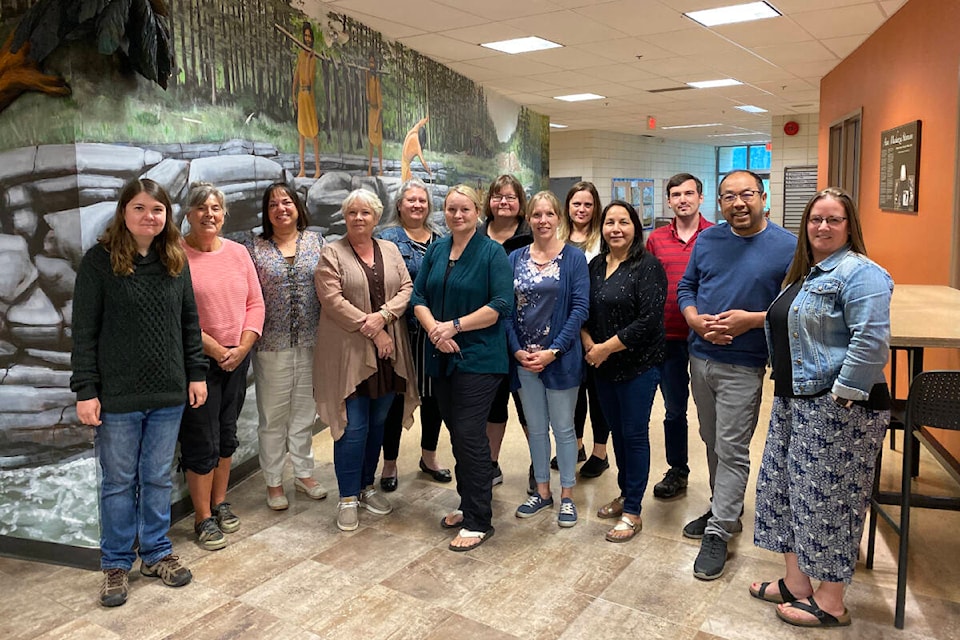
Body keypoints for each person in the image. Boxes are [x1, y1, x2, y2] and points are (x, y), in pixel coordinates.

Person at [750, 188, 892, 628]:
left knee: (830, 503)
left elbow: (870, 342)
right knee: (784, 491)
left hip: (839, 408)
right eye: (815, 220)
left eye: (833, 220)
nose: (823, 227)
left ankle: (831, 603)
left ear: (850, 227)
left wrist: (841, 397)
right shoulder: (806, 273)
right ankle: (797, 583)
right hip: (795, 400)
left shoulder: (861, 273)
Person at [71, 178, 207, 607]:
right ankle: (115, 563)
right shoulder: (99, 262)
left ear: (167, 216)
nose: (149, 217)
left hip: (167, 394)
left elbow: (190, 323)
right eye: (140, 209)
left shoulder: (175, 260)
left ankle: (155, 552)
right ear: (124, 213)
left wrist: (196, 374)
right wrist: (86, 390)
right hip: (118, 397)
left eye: (157, 210)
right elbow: (84, 333)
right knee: (117, 482)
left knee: (156, 476)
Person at [677, 170, 797, 580]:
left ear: (763, 198)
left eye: (747, 194)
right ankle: (723, 507)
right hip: (701, 357)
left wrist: (752, 321)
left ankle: (720, 530)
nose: (738, 203)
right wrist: (693, 319)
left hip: (745, 364)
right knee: (711, 439)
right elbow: (687, 288)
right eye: (729, 196)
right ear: (720, 203)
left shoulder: (788, 247)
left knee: (732, 446)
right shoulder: (709, 240)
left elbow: (794, 309)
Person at [411, 185, 513, 552]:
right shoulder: (437, 249)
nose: (457, 215)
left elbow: (502, 304)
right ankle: (468, 503)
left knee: (470, 436)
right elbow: (418, 296)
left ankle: (479, 520)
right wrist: (434, 331)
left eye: (465, 209)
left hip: (480, 358)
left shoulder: (491, 252)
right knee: (458, 436)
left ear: (477, 212)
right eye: (451, 209)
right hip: (441, 355)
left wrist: (452, 326)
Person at [313, 189, 419, 532]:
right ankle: (346, 498)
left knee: (377, 425)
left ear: (376, 218)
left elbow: (407, 288)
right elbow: (332, 299)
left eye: (365, 213)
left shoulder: (389, 249)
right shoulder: (331, 252)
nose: (358, 218)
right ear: (345, 218)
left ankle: (366, 487)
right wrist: (374, 329)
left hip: (389, 355)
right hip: (350, 354)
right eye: (352, 213)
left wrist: (384, 315)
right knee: (352, 426)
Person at [179, 182, 265, 551]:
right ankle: (202, 518)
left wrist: (243, 346)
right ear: (187, 214)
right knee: (202, 439)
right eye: (201, 208)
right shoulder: (176, 256)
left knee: (227, 434)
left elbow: (255, 303)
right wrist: (215, 349)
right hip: (198, 363)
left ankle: (219, 502)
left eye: (215, 208)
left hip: (236, 358)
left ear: (223, 214)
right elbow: (176, 315)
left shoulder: (238, 253)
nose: (208, 214)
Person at [581, 201, 667, 543]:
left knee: (633, 434)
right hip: (601, 365)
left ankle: (633, 510)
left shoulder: (648, 266)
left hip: (638, 365)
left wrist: (604, 348)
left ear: (636, 227)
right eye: (610, 222)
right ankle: (623, 493)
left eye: (624, 222)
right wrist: (589, 343)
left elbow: (648, 322)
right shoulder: (596, 266)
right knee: (616, 432)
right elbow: (582, 310)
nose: (616, 228)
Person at [506, 191, 589, 527]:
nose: (542, 221)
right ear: (529, 219)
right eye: (536, 215)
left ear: (559, 219)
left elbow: (580, 308)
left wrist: (554, 350)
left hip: (560, 358)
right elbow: (505, 310)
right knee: (536, 430)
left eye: (549, 215)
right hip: (524, 359)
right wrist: (515, 350)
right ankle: (542, 491)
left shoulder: (574, 259)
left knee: (564, 430)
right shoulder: (514, 259)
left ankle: (567, 495)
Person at [245, 183, 327, 511]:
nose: (281, 208)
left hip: (312, 341)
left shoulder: (317, 242)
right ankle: (274, 480)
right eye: (273, 204)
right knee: (273, 415)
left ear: (298, 206)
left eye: (287, 202)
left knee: (305, 412)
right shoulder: (255, 248)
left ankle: (304, 473)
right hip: (270, 344)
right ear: (267, 213)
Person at [377, 178, 451, 492]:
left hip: (435, 333)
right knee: (394, 401)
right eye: (411, 200)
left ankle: (429, 457)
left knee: (434, 400)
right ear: (399, 205)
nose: (417, 205)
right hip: (399, 332)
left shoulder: (443, 239)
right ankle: (390, 463)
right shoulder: (385, 239)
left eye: (422, 200)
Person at [645, 173, 714, 499]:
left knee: (712, 413)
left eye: (689, 193)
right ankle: (677, 469)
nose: (683, 199)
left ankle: (720, 478)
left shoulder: (717, 235)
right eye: (676, 194)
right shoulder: (656, 240)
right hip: (667, 338)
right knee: (674, 409)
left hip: (708, 339)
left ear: (701, 198)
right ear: (669, 201)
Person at [481, 174, 532, 489]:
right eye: (498, 196)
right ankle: (490, 464)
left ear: (520, 202)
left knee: (529, 406)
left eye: (510, 197)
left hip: (525, 333)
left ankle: (537, 465)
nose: (504, 202)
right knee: (493, 405)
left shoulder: (529, 235)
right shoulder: (476, 236)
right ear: (489, 201)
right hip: (486, 334)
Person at [559, 181, 608, 478]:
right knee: (573, 391)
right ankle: (575, 444)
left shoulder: (603, 238)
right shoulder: (558, 236)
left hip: (598, 327)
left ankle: (599, 452)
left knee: (598, 392)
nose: (581, 209)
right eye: (576, 204)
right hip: (567, 327)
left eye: (588, 204)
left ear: (595, 208)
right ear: (568, 206)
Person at [292, 23, 321, 178]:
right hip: (301, 96)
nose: (307, 38)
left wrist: (310, 60)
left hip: (309, 96)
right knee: (301, 134)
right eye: (306, 36)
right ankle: (302, 169)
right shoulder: (301, 55)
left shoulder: (313, 58)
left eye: (310, 36)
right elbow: (297, 76)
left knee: (314, 133)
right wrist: (292, 94)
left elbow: (309, 79)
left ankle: (317, 169)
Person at [366, 55, 384, 176]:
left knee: (378, 143)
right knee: (371, 142)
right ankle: (369, 168)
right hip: (371, 112)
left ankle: (381, 169)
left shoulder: (377, 82)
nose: (371, 65)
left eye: (373, 62)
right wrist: (366, 78)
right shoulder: (370, 80)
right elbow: (368, 97)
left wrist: (377, 122)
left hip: (376, 112)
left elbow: (380, 105)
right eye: (370, 62)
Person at [400, 116, 432, 181]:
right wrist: (429, 171)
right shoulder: (417, 145)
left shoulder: (414, 130)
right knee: (406, 181)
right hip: (405, 163)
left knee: (408, 180)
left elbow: (420, 123)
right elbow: (423, 161)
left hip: (404, 158)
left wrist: (426, 120)